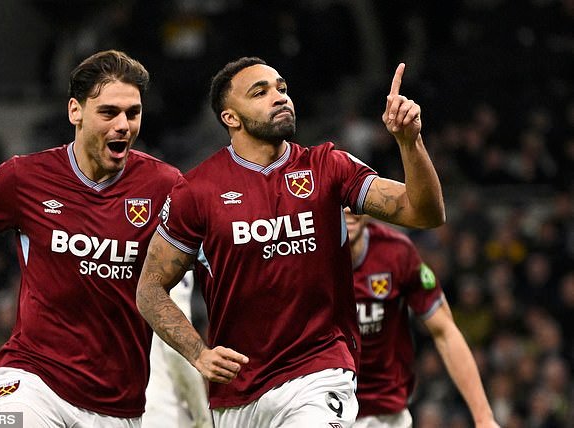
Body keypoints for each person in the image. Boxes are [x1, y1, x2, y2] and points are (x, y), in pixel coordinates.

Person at [136, 56, 445, 428]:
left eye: (281, 88)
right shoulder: (197, 191)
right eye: (260, 92)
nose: (279, 96)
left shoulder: (327, 167)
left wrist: (410, 142)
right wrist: (198, 353)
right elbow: (150, 288)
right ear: (230, 117)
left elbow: (423, 212)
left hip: (320, 374)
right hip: (238, 394)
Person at [0, 50, 182, 427]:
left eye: (132, 113)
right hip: (32, 382)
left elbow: (222, 254)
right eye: (109, 112)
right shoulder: (23, 178)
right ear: (75, 111)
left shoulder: (165, 187)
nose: (123, 125)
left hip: (117, 404)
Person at [344, 209, 499, 428]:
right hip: (318, 406)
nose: (348, 210)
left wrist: (484, 418)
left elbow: (445, 331)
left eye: (352, 200)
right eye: (339, 201)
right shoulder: (303, 257)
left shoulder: (396, 253)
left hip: (383, 415)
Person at [142, 270, 213, 428]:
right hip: (165, 412)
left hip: (135, 405)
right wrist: (203, 419)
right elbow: (177, 347)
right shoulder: (170, 265)